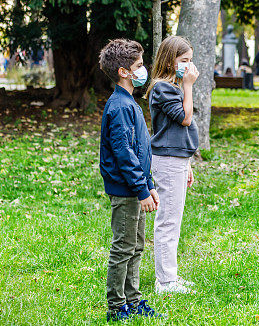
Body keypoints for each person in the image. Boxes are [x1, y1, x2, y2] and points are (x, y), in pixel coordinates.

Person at [97, 38, 162, 322]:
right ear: (123, 71)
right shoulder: (119, 107)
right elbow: (124, 155)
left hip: (136, 189)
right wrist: (140, 188)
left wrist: (148, 186)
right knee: (123, 247)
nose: (143, 69)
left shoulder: (130, 103)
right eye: (137, 66)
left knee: (136, 246)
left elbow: (140, 150)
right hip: (125, 190)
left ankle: (133, 299)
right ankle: (116, 306)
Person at [147, 36, 200, 295]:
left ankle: (171, 276)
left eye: (190, 61)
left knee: (174, 220)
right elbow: (185, 119)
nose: (188, 66)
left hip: (177, 159)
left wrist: (188, 163)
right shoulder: (162, 88)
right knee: (167, 220)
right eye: (184, 61)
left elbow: (178, 132)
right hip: (167, 161)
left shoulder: (174, 87)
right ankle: (165, 282)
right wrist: (189, 86)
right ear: (170, 60)